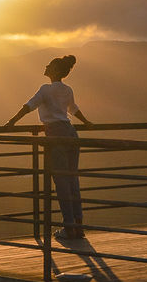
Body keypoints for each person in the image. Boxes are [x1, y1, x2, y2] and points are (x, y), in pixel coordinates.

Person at [5, 55, 93, 241]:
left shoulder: (45, 90)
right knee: (72, 179)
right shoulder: (67, 89)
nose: (45, 66)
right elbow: (73, 109)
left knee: (61, 181)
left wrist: (12, 122)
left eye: (49, 65)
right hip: (71, 133)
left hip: (55, 134)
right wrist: (86, 122)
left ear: (53, 70)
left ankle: (69, 228)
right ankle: (78, 225)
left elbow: (29, 106)